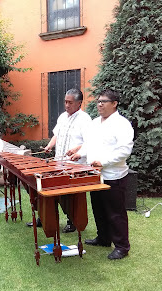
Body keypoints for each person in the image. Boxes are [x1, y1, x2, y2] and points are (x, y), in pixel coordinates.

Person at [70, 89, 134, 260]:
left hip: (113, 176)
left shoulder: (122, 124)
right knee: (98, 208)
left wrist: (103, 162)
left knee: (115, 212)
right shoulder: (95, 122)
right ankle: (104, 238)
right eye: (98, 101)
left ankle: (122, 246)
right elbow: (89, 143)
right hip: (94, 175)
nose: (99, 104)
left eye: (104, 101)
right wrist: (80, 153)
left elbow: (124, 150)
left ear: (114, 104)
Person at [26, 89, 92, 232]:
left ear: (79, 103)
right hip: (58, 162)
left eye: (70, 102)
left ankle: (72, 221)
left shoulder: (85, 119)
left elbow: (90, 141)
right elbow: (57, 134)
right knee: (46, 188)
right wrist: (49, 145)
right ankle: (44, 218)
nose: (67, 105)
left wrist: (76, 149)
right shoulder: (62, 116)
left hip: (75, 164)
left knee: (69, 195)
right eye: (65, 102)